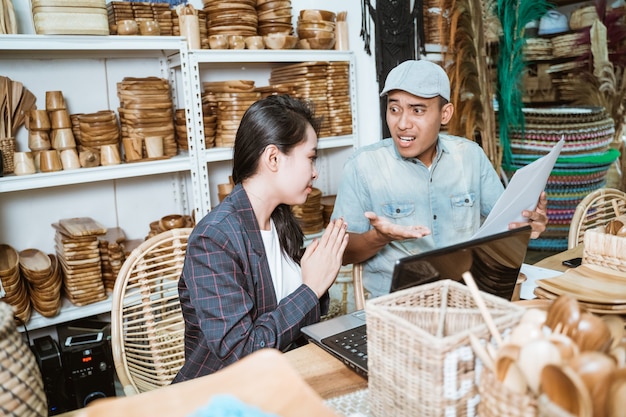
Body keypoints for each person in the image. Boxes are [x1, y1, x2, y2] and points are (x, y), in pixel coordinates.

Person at [331, 59, 548, 298]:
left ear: (445, 114)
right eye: (394, 109)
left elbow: (504, 226)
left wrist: (527, 224)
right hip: (398, 310)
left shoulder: (470, 156)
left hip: (470, 297)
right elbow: (342, 254)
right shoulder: (362, 166)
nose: (402, 123)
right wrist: (380, 237)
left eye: (417, 110)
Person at [173, 95, 349, 381]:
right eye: (311, 158)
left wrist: (321, 275)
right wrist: (310, 289)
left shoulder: (280, 220)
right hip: (225, 396)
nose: (316, 173)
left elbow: (298, 312)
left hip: (284, 380)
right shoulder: (214, 239)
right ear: (273, 158)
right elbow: (240, 354)